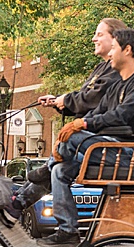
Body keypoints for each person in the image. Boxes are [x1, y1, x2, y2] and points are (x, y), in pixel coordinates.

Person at [44, 26, 134, 245]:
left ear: (127, 50)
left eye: (113, 48)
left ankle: (38, 178)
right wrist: (76, 125)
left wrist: (82, 124)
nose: (110, 54)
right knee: (59, 170)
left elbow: (122, 115)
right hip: (110, 150)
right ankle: (67, 230)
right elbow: (98, 113)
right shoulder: (116, 86)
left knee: (71, 139)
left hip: (132, 155)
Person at [36, 16, 127, 148]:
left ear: (115, 39)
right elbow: (85, 96)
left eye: (99, 34)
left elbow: (93, 98)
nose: (93, 39)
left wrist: (66, 100)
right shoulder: (101, 67)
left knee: (67, 140)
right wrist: (57, 101)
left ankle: (47, 168)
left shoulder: (117, 69)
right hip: (88, 134)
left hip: (101, 137)